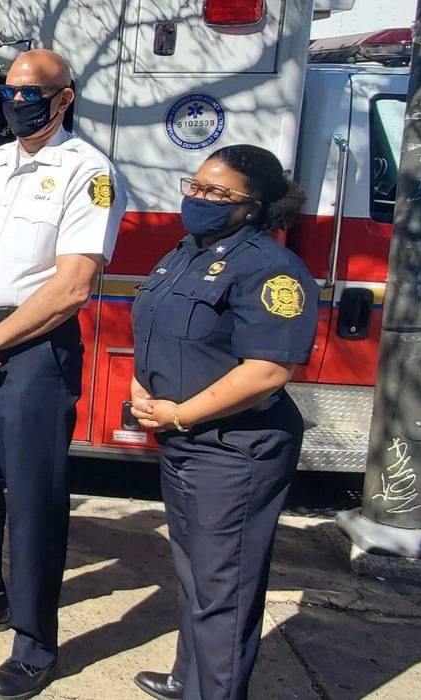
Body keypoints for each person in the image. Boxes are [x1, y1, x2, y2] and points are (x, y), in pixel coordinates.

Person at [0, 48, 126, 699]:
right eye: (9, 90)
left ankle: (34, 644)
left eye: (32, 91)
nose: (18, 101)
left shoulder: (88, 172)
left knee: (33, 503)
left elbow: (72, 286)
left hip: (33, 353)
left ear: (63, 96)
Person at [129, 145, 316, 700]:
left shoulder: (271, 268)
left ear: (254, 206)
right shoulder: (185, 251)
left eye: (217, 193)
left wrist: (179, 412)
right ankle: (191, 679)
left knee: (224, 591)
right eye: (195, 185)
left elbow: (267, 370)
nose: (198, 199)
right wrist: (148, 386)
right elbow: (162, 331)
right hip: (186, 442)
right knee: (195, 576)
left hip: (236, 449)